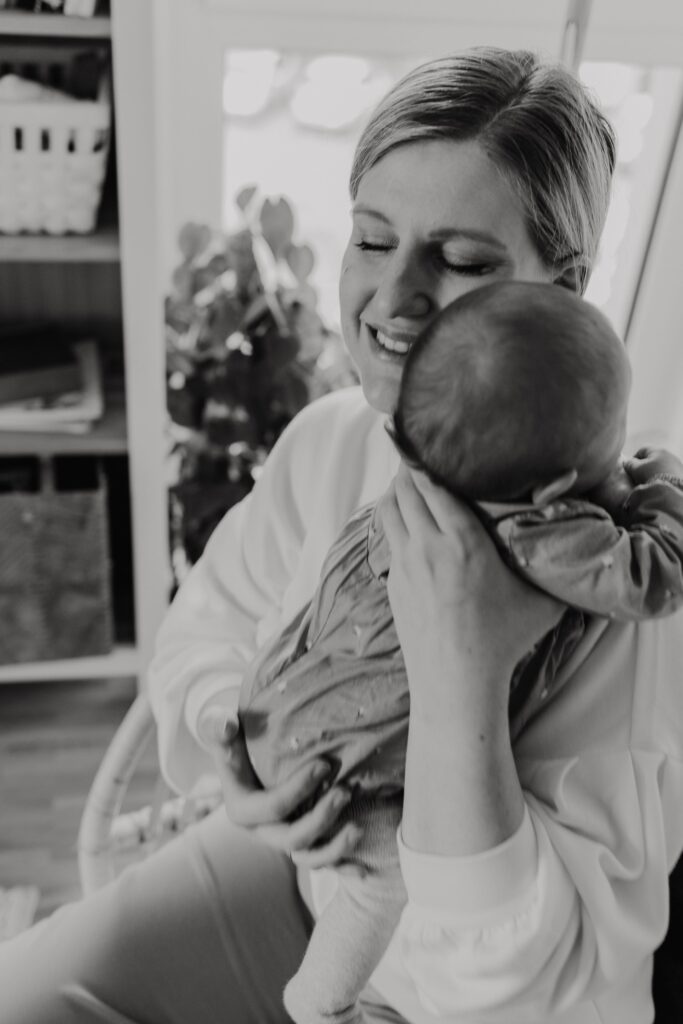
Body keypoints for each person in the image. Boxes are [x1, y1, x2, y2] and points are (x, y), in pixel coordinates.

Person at [2, 46, 683, 1024]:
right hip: (300, 887)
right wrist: (236, 755)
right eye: (372, 237)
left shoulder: (612, 573)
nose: (393, 297)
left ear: (560, 288)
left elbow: (514, 978)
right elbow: (205, 632)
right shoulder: (333, 439)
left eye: (458, 260)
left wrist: (464, 673)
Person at [236, 280, 683, 1024]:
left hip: (279, 707)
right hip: (332, 773)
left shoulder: (416, 476)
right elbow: (650, 576)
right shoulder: (543, 535)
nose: (400, 302)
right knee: (381, 881)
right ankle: (317, 1003)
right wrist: (659, 481)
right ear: (556, 490)